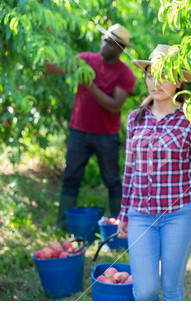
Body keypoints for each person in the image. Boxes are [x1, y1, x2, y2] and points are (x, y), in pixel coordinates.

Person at [117, 44, 191, 301]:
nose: (156, 82)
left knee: (172, 287)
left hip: (179, 215)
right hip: (140, 215)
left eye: (165, 75)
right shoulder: (135, 119)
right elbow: (130, 169)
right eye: (152, 74)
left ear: (178, 81)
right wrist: (123, 213)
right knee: (145, 291)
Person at [45, 24, 136, 229]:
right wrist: (43, 47)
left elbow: (114, 106)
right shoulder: (86, 60)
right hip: (79, 132)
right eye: (104, 40)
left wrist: (90, 85)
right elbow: (54, 67)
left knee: (112, 180)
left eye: (111, 43)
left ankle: (120, 225)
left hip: (106, 136)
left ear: (121, 49)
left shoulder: (126, 74)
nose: (104, 44)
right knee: (71, 178)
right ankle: (62, 226)